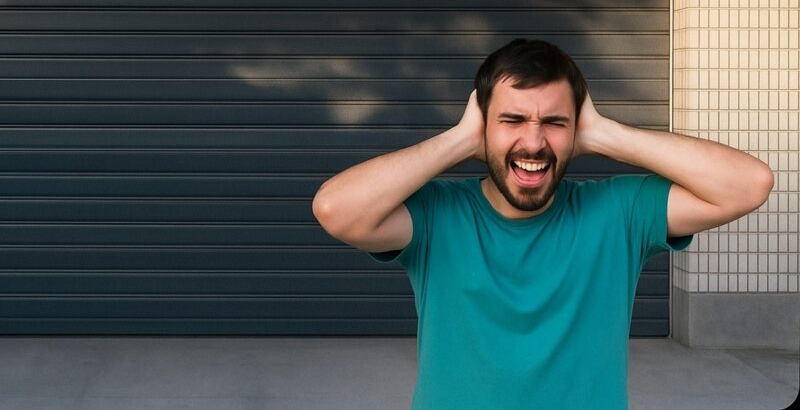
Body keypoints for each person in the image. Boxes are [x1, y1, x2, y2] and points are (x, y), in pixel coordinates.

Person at [311, 38, 774, 409]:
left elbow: (749, 184)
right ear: (481, 128)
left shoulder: (618, 212)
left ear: (578, 129)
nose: (533, 142)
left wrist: (606, 133)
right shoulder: (438, 215)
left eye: (555, 122)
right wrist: (457, 141)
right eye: (511, 120)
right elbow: (335, 209)